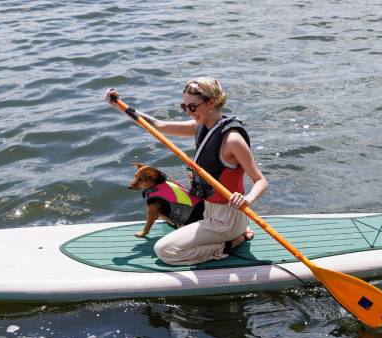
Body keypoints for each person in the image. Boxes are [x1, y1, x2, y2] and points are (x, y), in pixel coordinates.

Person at [105, 78, 268, 265]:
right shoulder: (201, 126)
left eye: (193, 107)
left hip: (226, 220)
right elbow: (157, 125)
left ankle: (232, 242)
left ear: (211, 103)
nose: (189, 112)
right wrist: (118, 105)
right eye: (184, 107)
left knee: (164, 250)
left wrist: (247, 199)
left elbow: (260, 181)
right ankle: (233, 234)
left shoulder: (232, 140)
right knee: (171, 219)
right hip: (206, 210)